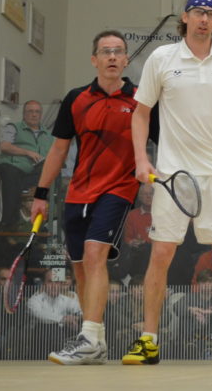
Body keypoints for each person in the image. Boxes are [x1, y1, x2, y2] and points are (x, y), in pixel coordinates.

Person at [123, 0, 212, 365]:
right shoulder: (162, 58)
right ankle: (148, 338)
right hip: (172, 173)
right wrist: (141, 159)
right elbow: (140, 113)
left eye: (211, 14)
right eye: (197, 12)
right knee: (162, 252)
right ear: (184, 17)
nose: (204, 19)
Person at [27, 30, 141, 365]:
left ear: (126, 60)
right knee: (79, 268)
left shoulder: (141, 99)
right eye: (105, 51)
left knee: (95, 256)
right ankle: (97, 342)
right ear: (94, 59)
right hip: (78, 192)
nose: (112, 57)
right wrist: (41, 194)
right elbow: (59, 149)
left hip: (119, 189)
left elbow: (163, 140)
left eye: (118, 51)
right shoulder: (76, 99)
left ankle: (87, 339)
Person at [0, 100, 54, 230]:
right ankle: (8, 221)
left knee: (50, 172)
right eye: (30, 111)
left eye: (37, 112)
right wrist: (27, 152)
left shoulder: (49, 136)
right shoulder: (13, 127)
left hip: (34, 172)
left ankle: (43, 224)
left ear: (41, 114)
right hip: (12, 166)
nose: (34, 114)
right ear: (24, 114)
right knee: (11, 174)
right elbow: (4, 146)